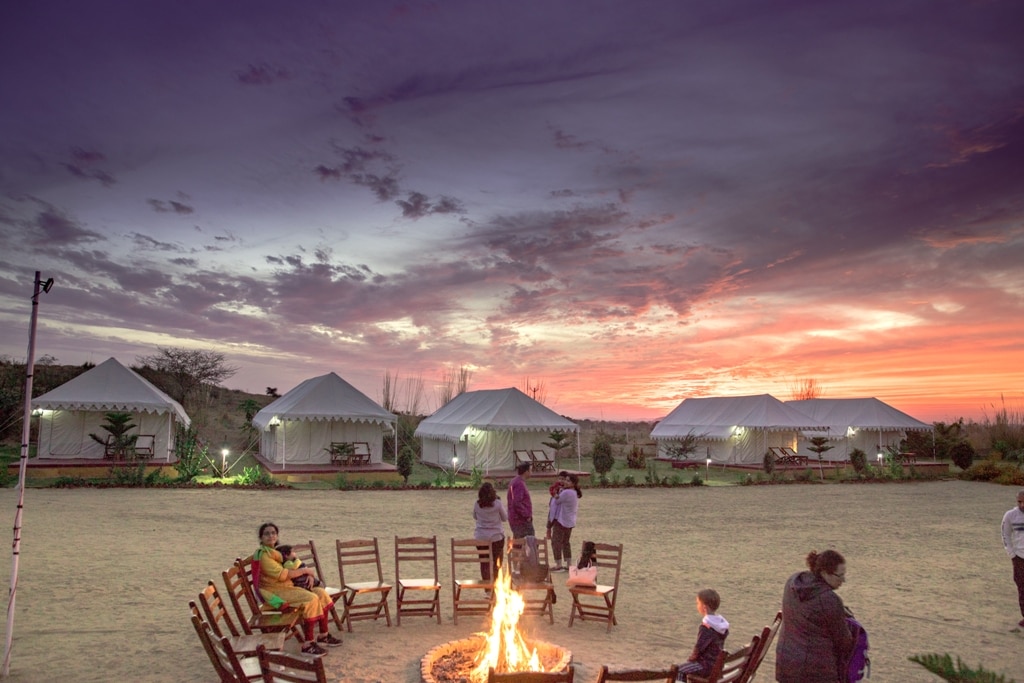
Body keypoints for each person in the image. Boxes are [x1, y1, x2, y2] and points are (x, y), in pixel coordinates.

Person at [255, 522, 342, 656]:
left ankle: (323, 635)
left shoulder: (278, 551)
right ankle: (308, 644)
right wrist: (306, 571)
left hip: (289, 587)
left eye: (273, 533)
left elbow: (297, 564)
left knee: (321, 593)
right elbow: (284, 575)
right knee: (311, 599)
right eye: (267, 533)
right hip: (276, 591)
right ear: (261, 538)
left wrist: (309, 574)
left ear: (277, 536)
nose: (271, 536)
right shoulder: (265, 556)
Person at [776, 549, 854, 683]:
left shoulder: (793, 582)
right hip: (815, 673)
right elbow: (844, 643)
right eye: (839, 576)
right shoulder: (829, 599)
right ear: (824, 573)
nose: (843, 580)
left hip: (785, 663)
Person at [675, 588, 729, 682]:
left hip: (706, 665)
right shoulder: (722, 626)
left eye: (697, 603)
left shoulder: (706, 627)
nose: (697, 606)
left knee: (679, 670)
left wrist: (690, 660)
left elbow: (699, 648)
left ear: (704, 607)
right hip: (716, 664)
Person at [473, 482, 508, 581]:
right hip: (496, 537)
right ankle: (496, 585)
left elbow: (475, 516)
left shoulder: (477, 504)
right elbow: (505, 518)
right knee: (497, 560)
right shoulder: (497, 503)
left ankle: (487, 588)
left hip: (481, 537)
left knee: (484, 562)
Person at [548, 471, 582, 571]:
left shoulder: (567, 492)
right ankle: (568, 564)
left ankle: (558, 564)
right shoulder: (574, 492)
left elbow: (557, 501)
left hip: (561, 520)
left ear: (573, 483)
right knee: (566, 542)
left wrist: (554, 493)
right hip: (570, 521)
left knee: (556, 542)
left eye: (568, 481)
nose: (565, 482)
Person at [1001, 489, 1024, 628]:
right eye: (1019, 502)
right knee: (1022, 588)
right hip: (1020, 558)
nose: (1022, 505)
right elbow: (1005, 534)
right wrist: (1011, 554)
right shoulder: (1010, 515)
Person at [507, 462, 534, 538]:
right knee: (529, 542)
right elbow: (516, 502)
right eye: (530, 470)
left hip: (517, 518)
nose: (532, 473)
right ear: (526, 472)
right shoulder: (519, 484)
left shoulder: (516, 481)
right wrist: (526, 515)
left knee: (519, 542)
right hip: (520, 520)